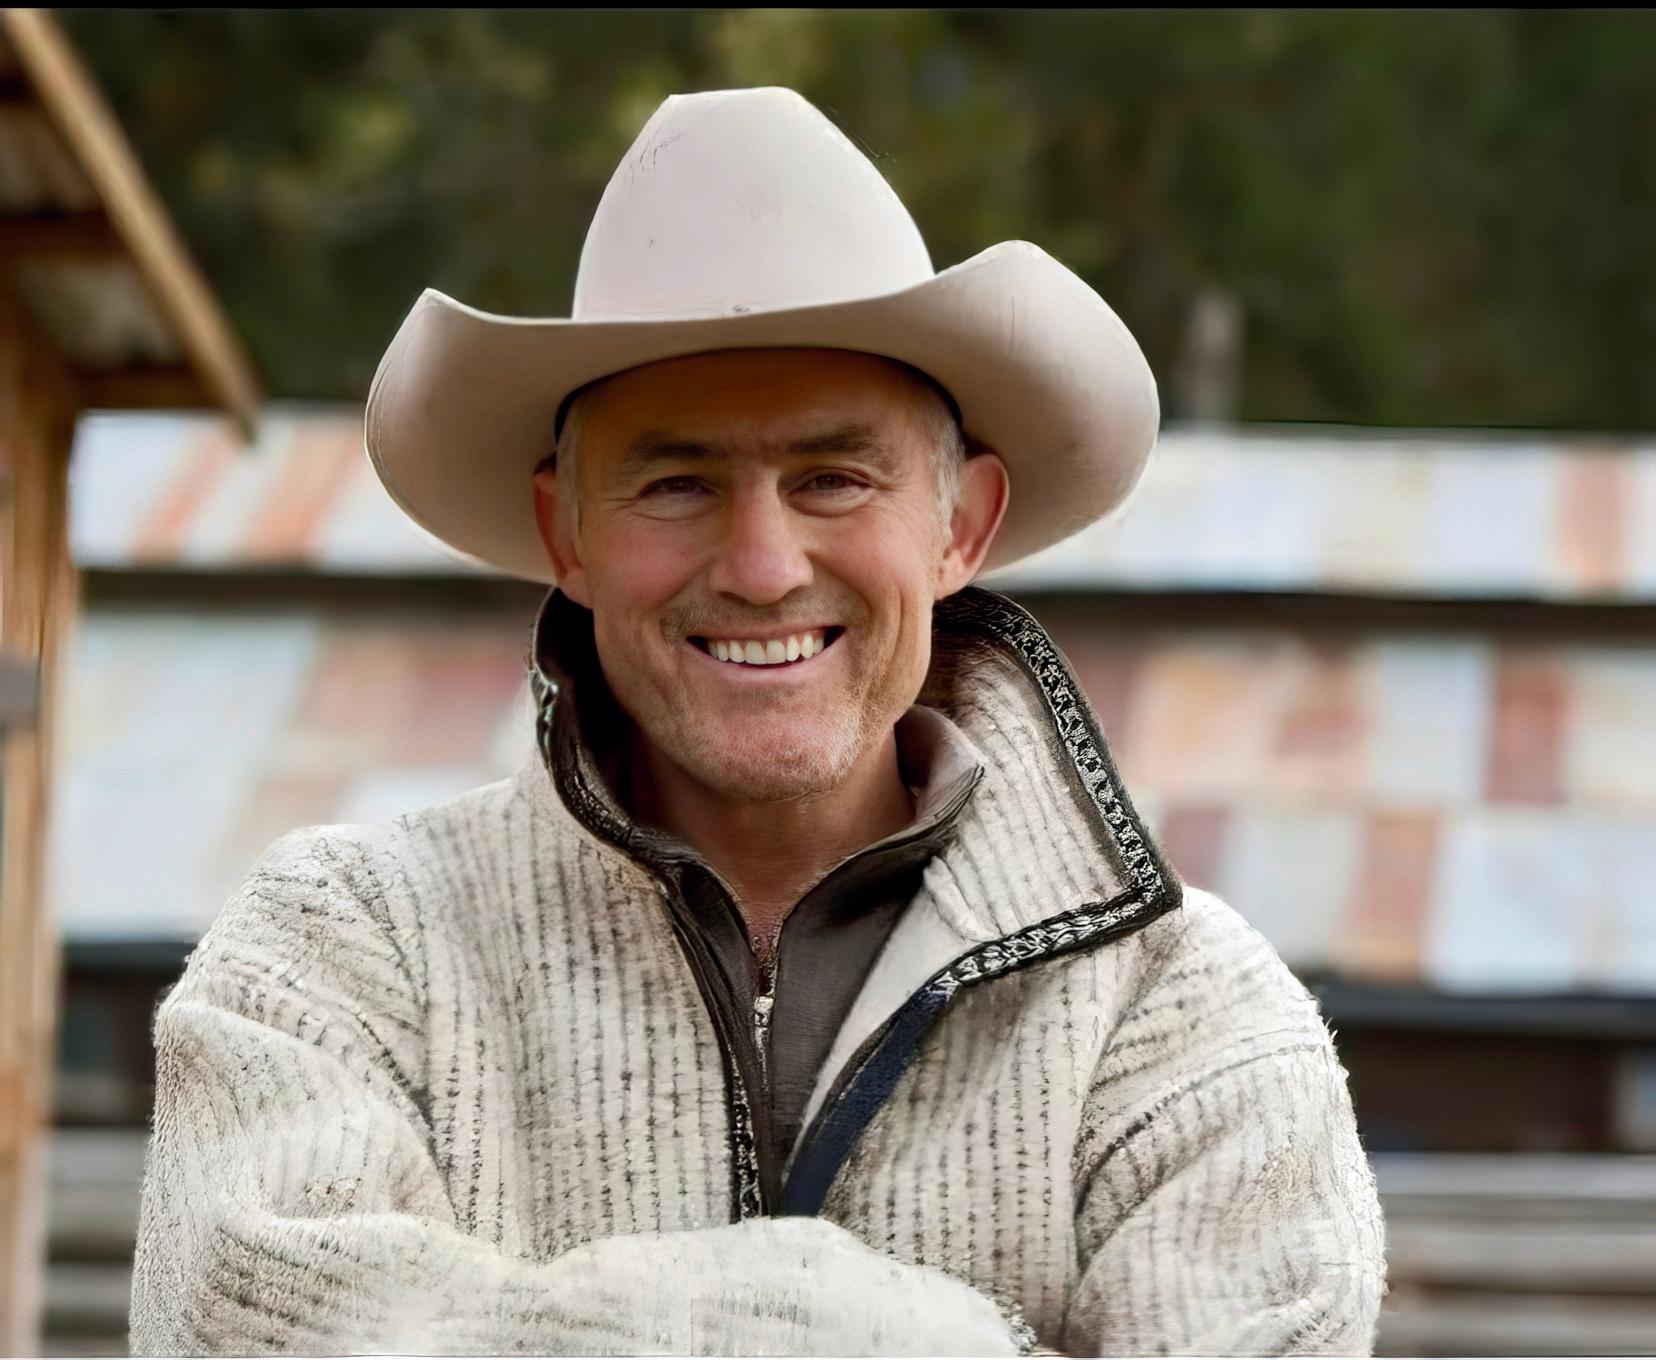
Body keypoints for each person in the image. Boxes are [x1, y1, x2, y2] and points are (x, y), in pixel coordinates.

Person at [130, 87, 1387, 1356]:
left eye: (833, 478)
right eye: (677, 482)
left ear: (959, 524)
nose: (763, 565)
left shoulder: (1180, 1008)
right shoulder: (344, 950)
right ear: (568, 532)